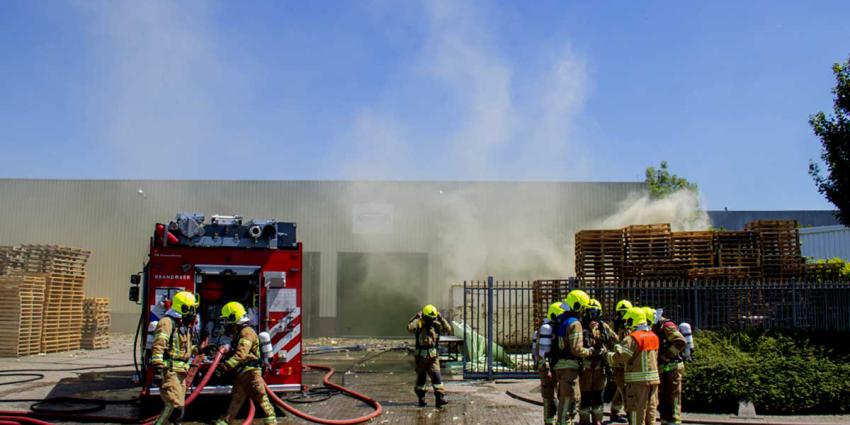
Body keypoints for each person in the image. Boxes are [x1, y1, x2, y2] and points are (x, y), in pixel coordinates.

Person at [214, 301, 277, 425]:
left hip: (251, 371)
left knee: (260, 395)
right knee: (237, 398)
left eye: (227, 319)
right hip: (242, 372)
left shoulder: (246, 332)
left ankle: (271, 418)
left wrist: (225, 367)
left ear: (233, 317)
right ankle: (226, 421)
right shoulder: (240, 332)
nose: (226, 323)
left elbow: (241, 354)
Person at [150, 291, 198, 425]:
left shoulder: (182, 325)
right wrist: (158, 369)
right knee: (174, 407)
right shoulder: (167, 322)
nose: (193, 312)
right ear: (183, 308)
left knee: (178, 409)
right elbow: (159, 346)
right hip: (170, 372)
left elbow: (184, 349)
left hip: (181, 372)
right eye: (191, 309)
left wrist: (199, 349)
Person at [606, 307, 660, 425]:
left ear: (632, 320)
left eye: (627, 320)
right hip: (654, 382)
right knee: (651, 414)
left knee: (636, 413)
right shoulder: (653, 336)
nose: (626, 323)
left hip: (637, 384)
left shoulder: (632, 338)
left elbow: (620, 358)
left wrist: (607, 355)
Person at [551, 290, 594, 425]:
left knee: (564, 398)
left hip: (558, 365)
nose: (583, 312)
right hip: (569, 368)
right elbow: (576, 349)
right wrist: (590, 351)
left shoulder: (560, 319)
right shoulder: (575, 323)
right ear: (576, 306)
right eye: (582, 308)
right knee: (569, 400)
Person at [407, 304, 453, 407]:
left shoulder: (436, 324)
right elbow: (409, 328)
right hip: (421, 357)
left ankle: (439, 398)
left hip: (433, 357)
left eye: (432, 319)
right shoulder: (418, 324)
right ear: (424, 316)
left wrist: (441, 318)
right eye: (428, 318)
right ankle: (421, 398)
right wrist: (416, 317)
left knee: (437, 377)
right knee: (421, 379)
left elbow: (448, 329)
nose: (430, 321)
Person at [579, 299, 616, 425]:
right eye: (590, 312)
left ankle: (597, 420)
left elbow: (614, 339)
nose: (592, 315)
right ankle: (584, 421)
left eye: (594, 312)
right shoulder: (581, 326)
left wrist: (607, 349)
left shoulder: (603, 326)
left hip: (600, 367)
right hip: (585, 368)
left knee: (598, 395)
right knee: (585, 395)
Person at [651, 310, 688, 425]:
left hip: (673, 368)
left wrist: (667, 355)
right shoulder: (657, 327)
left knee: (673, 397)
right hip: (663, 368)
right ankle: (665, 421)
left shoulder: (667, 326)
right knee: (663, 399)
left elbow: (681, 341)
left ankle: (675, 421)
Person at [534, 302, 565, 425]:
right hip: (550, 367)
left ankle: (549, 421)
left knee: (548, 397)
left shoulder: (540, 330)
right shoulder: (551, 329)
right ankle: (555, 420)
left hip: (544, 367)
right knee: (559, 395)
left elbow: (535, 351)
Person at [609, 299, 633, 423]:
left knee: (621, 388)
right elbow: (613, 342)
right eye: (621, 312)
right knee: (623, 388)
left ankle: (614, 411)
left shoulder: (632, 325)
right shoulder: (613, 325)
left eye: (626, 312)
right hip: (619, 362)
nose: (623, 315)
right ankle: (630, 414)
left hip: (628, 362)